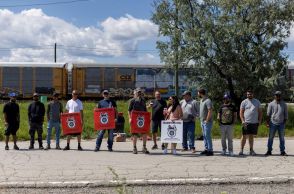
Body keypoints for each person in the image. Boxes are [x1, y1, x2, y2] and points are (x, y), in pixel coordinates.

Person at [239, 89, 262, 156]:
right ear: (247, 95)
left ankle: (251, 150)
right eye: (248, 94)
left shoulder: (257, 102)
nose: (249, 95)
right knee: (244, 136)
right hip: (246, 122)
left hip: (254, 122)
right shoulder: (244, 102)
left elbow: (260, 112)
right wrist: (242, 120)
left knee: (251, 136)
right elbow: (241, 112)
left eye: (250, 94)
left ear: (253, 94)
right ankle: (241, 150)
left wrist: (259, 120)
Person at [265, 91, 288, 156]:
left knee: (282, 138)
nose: (278, 96)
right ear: (274, 96)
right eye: (276, 95)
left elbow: (286, 115)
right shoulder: (271, 104)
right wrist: (267, 123)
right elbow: (268, 114)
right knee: (270, 138)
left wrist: (284, 123)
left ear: (281, 96)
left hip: (281, 124)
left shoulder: (284, 104)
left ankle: (282, 151)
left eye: (279, 95)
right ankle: (269, 151)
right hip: (272, 123)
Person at [128, 88, 150, 154]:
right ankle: (134, 148)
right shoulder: (132, 100)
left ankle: (144, 147)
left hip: (142, 118)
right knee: (135, 134)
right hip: (134, 119)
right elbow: (129, 110)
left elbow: (145, 110)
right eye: (138, 92)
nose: (139, 94)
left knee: (144, 133)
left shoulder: (143, 100)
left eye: (140, 93)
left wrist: (147, 118)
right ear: (135, 93)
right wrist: (129, 118)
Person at [198, 89, 214, 156]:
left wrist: (207, 120)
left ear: (201, 93)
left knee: (207, 136)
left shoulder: (208, 100)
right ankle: (206, 149)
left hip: (207, 121)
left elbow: (210, 111)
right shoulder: (201, 100)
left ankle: (210, 150)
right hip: (202, 121)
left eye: (198, 93)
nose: (197, 94)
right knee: (204, 136)